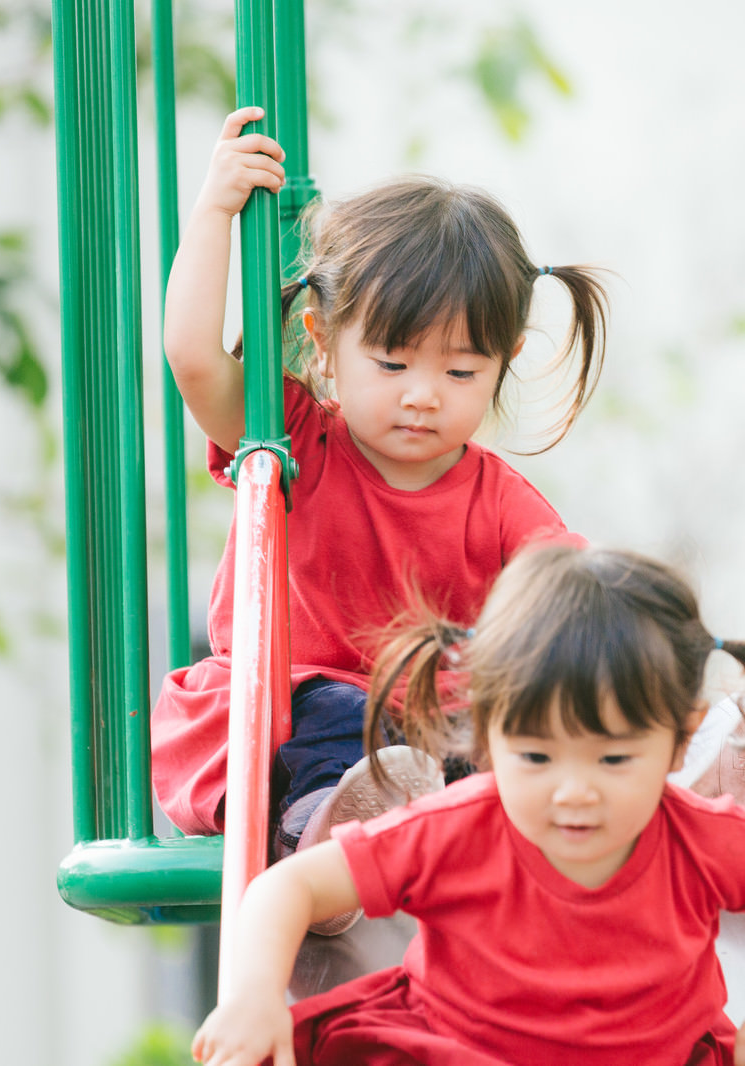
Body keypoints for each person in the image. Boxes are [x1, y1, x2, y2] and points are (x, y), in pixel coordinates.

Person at [150, 107, 610, 890]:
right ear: (323, 342)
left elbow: (575, 602)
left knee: (531, 706)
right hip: (308, 717)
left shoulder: (501, 502)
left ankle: (656, 768)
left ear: (505, 363)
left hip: (439, 731)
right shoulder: (297, 439)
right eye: (393, 364)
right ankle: (328, 842)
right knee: (335, 719)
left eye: (461, 373)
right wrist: (214, 213)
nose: (424, 396)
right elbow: (194, 359)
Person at [191, 544, 745, 1066]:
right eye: (536, 756)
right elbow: (289, 886)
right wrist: (253, 996)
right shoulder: (455, 829)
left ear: (679, 741)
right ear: (486, 734)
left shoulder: (700, 839)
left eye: (613, 760)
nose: (574, 791)